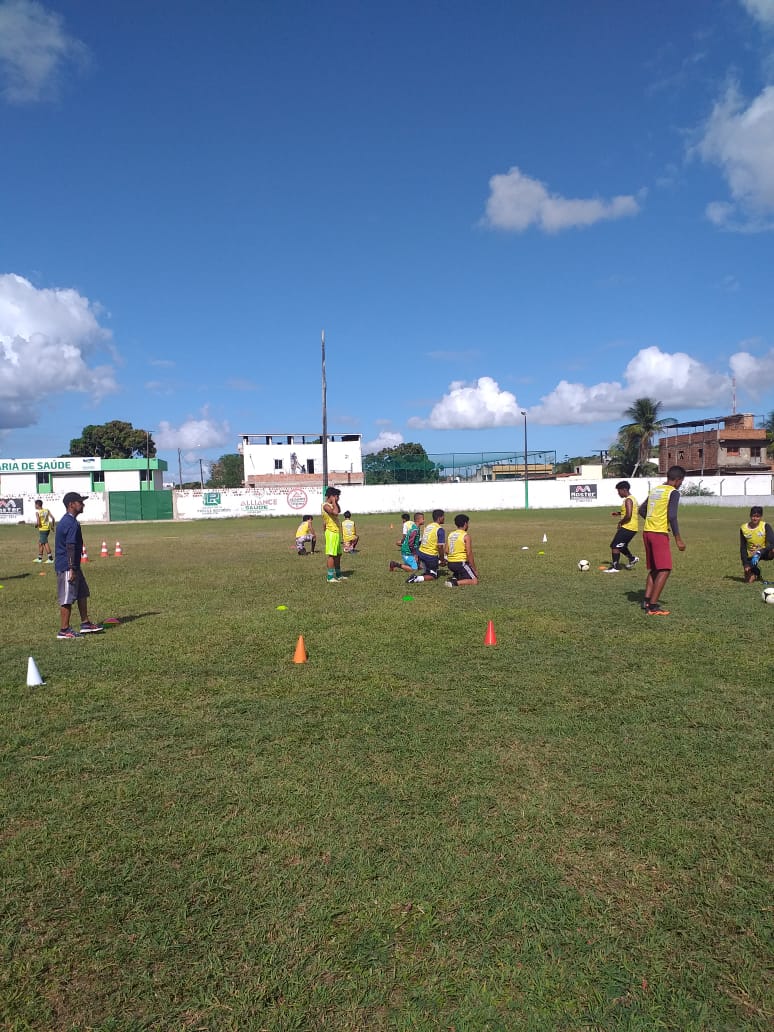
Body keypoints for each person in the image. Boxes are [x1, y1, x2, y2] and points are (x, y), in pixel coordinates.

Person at [638, 465, 686, 616]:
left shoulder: (656, 490)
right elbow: (672, 516)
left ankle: (646, 600)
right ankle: (652, 607)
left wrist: (652, 521)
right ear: (678, 480)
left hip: (647, 532)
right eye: (682, 481)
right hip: (659, 534)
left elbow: (642, 510)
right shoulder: (673, 492)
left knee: (655, 569)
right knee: (665, 569)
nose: (681, 483)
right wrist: (678, 539)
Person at [55, 492, 103, 638]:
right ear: (71, 505)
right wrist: (71, 568)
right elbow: (70, 546)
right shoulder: (70, 523)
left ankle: (85, 623)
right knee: (67, 597)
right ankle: (64, 630)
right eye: (80, 502)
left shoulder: (70, 521)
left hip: (74, 565)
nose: (83, 504)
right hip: (67, 566)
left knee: (82, 592)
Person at [604, 481, 640, 573]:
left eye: (619, 491)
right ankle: (632, 559)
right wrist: (619, 513)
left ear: (624, 490)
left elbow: (628, 515)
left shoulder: (628, 500)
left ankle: (616, 567)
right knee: (622, 546)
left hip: (628, 527)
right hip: (632, 527)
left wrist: (620, 522)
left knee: (615, 546)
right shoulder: (632, 499)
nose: (618, 493)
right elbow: (629, 512)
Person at [408, 509, 446, 583]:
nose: (444, 518)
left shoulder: (428, 526)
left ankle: (427, 569)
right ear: (439, 518)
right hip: (430, 556)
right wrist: (442, 560)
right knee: (433, 575)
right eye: (443, 516)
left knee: (431, 567)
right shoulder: (440, 530)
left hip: (421, 553)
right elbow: (440, 547)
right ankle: (416, 578)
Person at [739, 506, 774, 583]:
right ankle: (756, 572)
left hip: (765, 552)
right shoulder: (743, 528)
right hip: (751, 555)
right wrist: (745, 564)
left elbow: (772, 543)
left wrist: (760, 552)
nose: (755, 518)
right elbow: (743, 547)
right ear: (750, 516)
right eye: (753, 516)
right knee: (749, 581)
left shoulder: (765, 526)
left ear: (761, 517)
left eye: (757, 516)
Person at [444, 514, 478, 586]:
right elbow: (469, 553)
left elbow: (446, 550)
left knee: (463, 574)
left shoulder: (451, 534)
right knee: (474, 581)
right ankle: (454, 583)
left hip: (450, 564)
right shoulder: (466, 536)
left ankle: (456, 577)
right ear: (465, 524)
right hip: (460, 563)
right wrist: (474, 569)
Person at [322, 486, 344, 583]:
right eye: (336, 496)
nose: (338, 498)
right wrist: (334, 502)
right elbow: (335, 513)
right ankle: (330, 577)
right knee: (332, 555)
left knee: (338, 554)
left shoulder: (332, 504)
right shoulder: (325, 505)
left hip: (336, 532)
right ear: (331, 496)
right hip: (331, 533)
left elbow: (338, 510)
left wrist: (336, 502)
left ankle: (338, 574)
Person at [34, 499, 55, 563]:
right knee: (40, 543)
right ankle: (39, 558)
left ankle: (50, 558)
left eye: (35, 505)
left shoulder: (38, 513)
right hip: (47, 529)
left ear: (37, 505)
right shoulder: (47, 510)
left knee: (45, 543)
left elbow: (39, 523)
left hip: (42, 530)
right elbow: (53, 518)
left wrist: (36, 525)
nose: (34, 506)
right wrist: (52, 526)